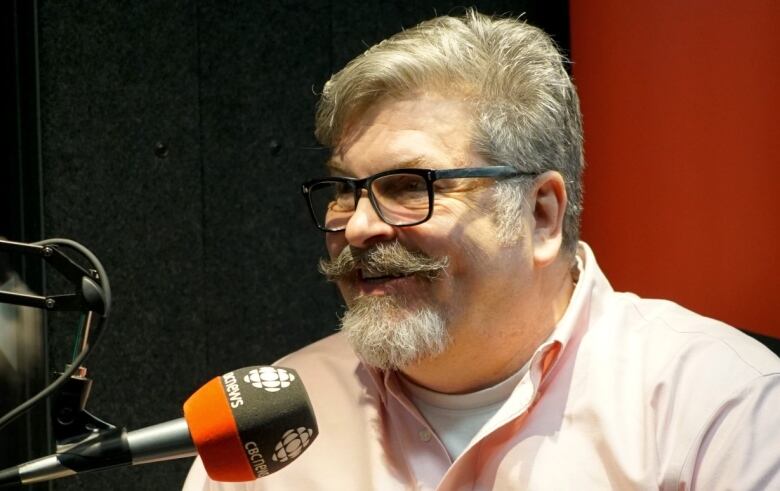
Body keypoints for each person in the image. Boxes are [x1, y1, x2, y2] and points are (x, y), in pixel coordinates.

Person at [184, 9, 779, 490]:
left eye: (407, 186)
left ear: (541, 215)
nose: (359, 226)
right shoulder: (267, 430)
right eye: (344, 190)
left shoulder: (720, 409)